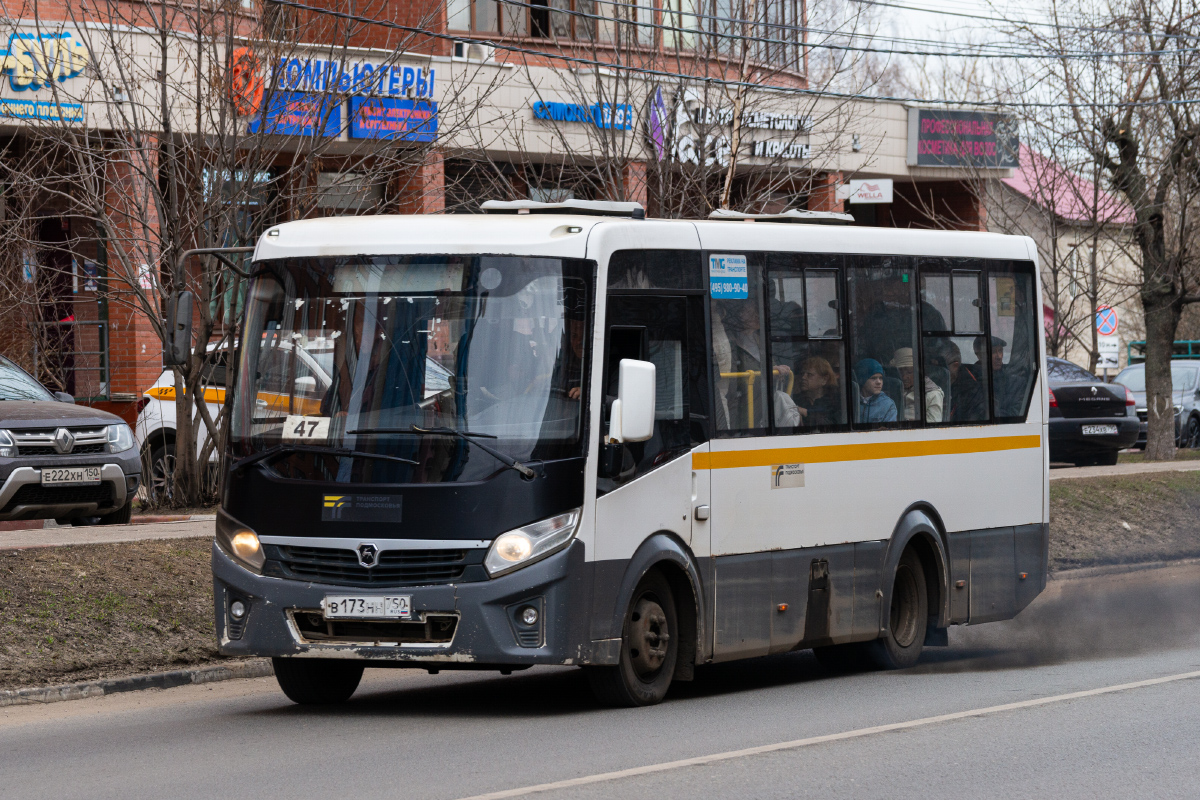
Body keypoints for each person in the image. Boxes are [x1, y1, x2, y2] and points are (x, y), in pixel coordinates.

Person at [891, 347, 943, 422]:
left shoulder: (933, 394)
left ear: (917, 372)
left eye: (909, 372)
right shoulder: (895, 389)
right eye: (901, 372)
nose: (904, 377)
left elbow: (934, 425)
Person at [796, 355, 842, 426]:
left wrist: (806, 412)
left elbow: (833, 425)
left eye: (809, 374)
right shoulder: (795, 400)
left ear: (824, 379)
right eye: (802, 374)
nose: (803, 377)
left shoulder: (835, 401)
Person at [854, 358, 897, 423]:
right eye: (873, 378)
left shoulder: (888, 405)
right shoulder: (851, 402)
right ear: (862, 380)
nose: (879, 382)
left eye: (881, 378)